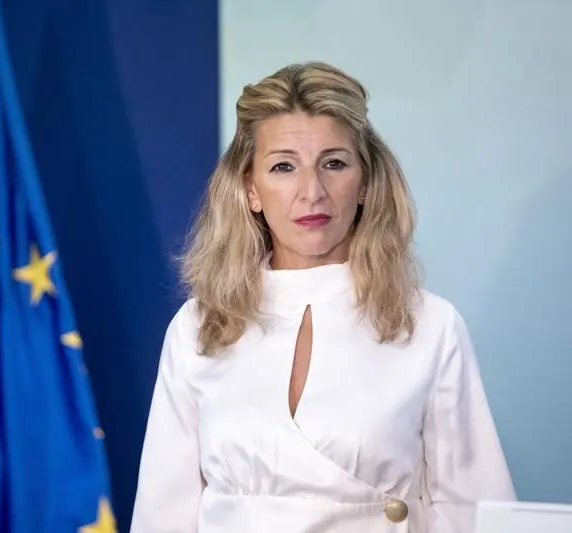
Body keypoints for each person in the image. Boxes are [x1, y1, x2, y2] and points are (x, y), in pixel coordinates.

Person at [130, 61, 515, 532]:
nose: (311, 192)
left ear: (366, 182)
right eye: (283, 167)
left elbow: (475, 513)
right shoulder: (199, 327)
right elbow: (162, 516)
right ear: (251, 189)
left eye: (334, 163)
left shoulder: (429, 325)